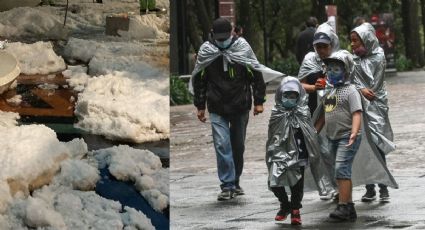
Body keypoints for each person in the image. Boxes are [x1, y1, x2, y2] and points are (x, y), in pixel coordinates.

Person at [192, 17, 266, 201]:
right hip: (217, 106)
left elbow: (256, 73)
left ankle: (236, 179)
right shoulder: (207, 50)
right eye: (219, 38)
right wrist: (200, 106)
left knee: (237, 146)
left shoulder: (242, 47)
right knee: (221, 144)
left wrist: (259, 101)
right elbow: (199, 79)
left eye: (225, 37)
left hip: (240, 104)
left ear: (232, 33)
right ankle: (227, 185)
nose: (222, 41)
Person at [266, 77, 330, 225]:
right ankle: (284, 204)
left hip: (299, 153)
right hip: (279, 154)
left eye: (293, 96)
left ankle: (295, 209)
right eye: (286, 96)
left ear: (299, 96)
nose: (289, 99)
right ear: (280, 96)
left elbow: (309, 132)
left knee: (297, 184)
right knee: (274, 182)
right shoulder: (277, 112)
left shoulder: (303, 111)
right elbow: (272, 135)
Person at [314, 50, 362, 221]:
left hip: (347, 136)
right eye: (330, 69)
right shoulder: (329, 92)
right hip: (332, 137)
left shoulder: (351, 91)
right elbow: (323, 116)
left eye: (337, 69)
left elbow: (357, 113)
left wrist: (354, 132)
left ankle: (342, 206)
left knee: (341, 169)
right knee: (339, 170)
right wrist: (314, 132)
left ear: (346, 71)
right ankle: (349, 207)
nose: (332, 72)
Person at [350, 23, 395, 202]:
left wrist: (360, 89)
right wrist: (359, 90)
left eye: (356, 41)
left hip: (375, 107)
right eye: (351, 41)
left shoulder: (378, 57)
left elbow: (373, 88)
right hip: (359, 107)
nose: (352, 45)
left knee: (376, 144)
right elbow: (349, 81)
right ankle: (370, 188)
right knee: (362, 146)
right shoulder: (354, 60)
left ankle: (383, 186)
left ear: (366, 40)